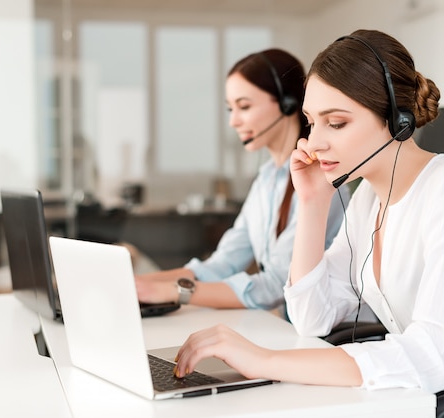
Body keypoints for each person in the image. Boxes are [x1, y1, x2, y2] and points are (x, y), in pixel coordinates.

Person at [170, 30, 444, 417]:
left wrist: (266, 360)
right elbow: (313, 318)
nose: (314, 142)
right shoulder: (368, 197)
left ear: (397, 118)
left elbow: (432, 358)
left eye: (337, 122)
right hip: (441, 393)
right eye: (312, 123)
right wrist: (313, 205)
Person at [135, 48, 349, 314]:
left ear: (287, 104)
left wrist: (171, 291)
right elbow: (222, 264)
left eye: (244, 106)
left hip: (331, 339)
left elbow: (276, 284)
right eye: (230, 109)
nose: (233, 121)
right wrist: (140, 283)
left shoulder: (321, 182)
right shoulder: (266, 180)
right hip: (287, 330)